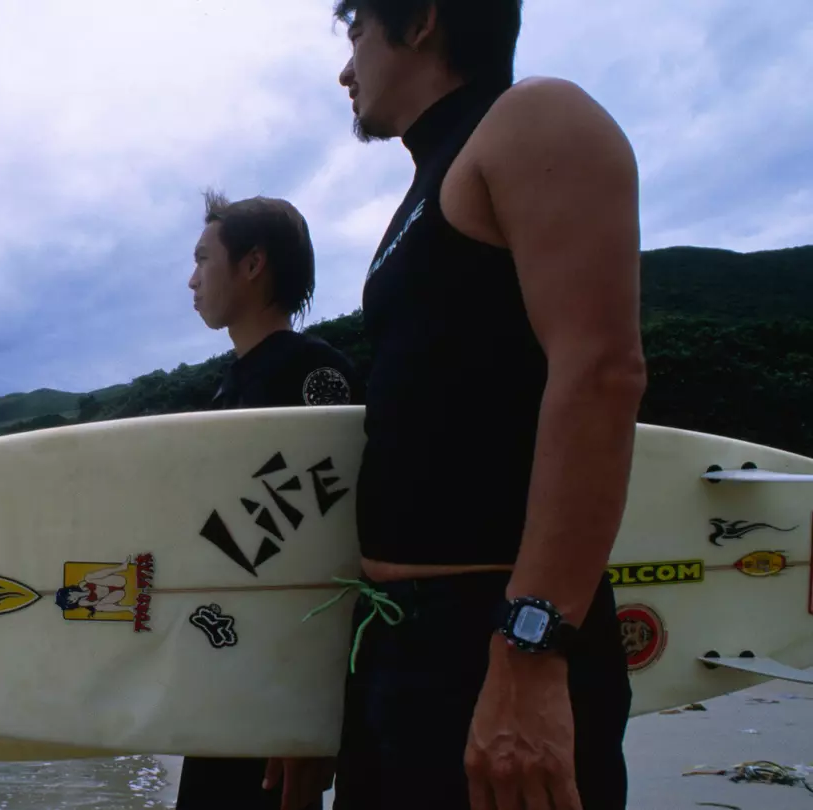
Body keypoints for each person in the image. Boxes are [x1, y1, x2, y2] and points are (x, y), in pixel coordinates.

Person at [298, 1, 647, 809]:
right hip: (393, 641)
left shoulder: (534, 118)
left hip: (491, 634)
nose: (346, 70)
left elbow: (601, 375)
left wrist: (530, 647)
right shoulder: (431, 183)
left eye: (356, 33)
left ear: (421, 19)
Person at [177, 189, 359, 810]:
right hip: (225, 669)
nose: (193, 279)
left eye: (204, 259)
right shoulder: (231, 385)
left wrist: (310, 715)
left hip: (279, 690)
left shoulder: (313, 375)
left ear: (252, 264)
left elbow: (334, 548)